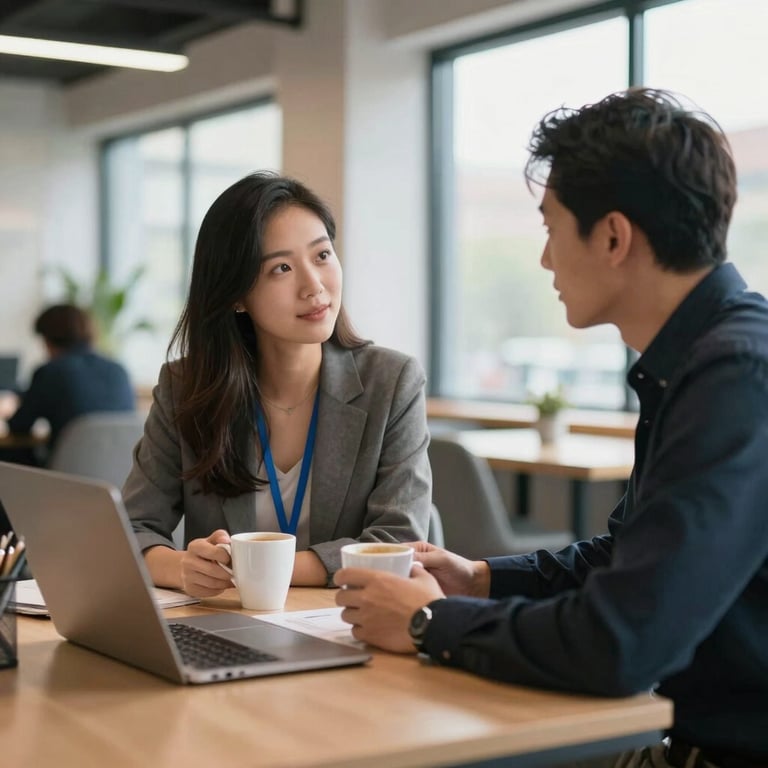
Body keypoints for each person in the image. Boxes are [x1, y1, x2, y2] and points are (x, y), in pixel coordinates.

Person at [335, 88, 768, 768]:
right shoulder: (700, 362)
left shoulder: (738, 376)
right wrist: (478, 578)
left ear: (614, 236)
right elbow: (625, 559)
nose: (543, 260)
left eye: (550, 227)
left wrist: (427, 622)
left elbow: (624, 642)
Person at [124, 171, 431, 595]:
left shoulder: (392, 383)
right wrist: (182, 568)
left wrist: (254, 568)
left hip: (350, 625)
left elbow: (398, 542)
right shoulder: (186, 387)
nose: (314, 286)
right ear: (235, 295)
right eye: (282, 268)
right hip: (227, 628)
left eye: (322, 255)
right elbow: (134, 526)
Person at [5, 304, 135, 464]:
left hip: (66, 477)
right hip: (118, 476)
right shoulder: (119, 371)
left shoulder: (50, 372)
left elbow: (19, 426)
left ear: (48, 340)